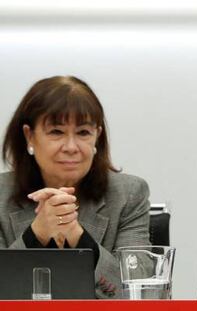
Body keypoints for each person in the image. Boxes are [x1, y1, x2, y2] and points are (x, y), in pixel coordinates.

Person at [0, 76, 151, 298]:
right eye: (56, 132)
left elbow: (137, 292)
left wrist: (77, 235)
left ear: (97, 137)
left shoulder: (128, 194)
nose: (71, 147)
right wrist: (35, 235)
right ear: (29, 136)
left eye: (83, 133)